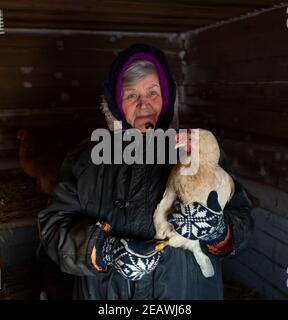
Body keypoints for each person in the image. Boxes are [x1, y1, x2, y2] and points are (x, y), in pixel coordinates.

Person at [38, 43, 254, 300]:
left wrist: (219, 231)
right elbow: (52, 229)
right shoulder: (86, 161)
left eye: (153, 92)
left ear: (168, 97)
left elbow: (243, 220)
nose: (144, 105)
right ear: (115, 104)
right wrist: (103, 250)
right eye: (131, 95)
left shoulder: (196, 151)